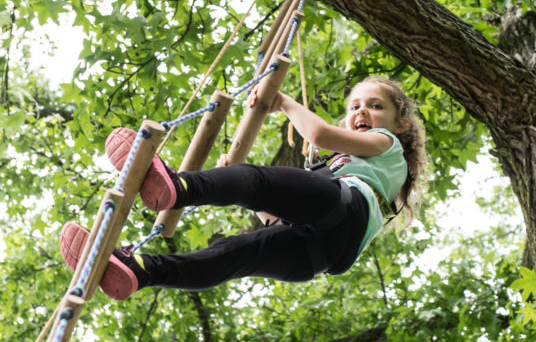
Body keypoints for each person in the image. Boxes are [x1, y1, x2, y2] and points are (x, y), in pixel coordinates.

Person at [60, 77, 427, 300]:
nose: (362, 113)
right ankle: (142, 271)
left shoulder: (386, 144)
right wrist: (234, 184)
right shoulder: (346, 170)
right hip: (321, 254)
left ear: (400, 125)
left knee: (256, 181)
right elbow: (275, 219)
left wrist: (282, 101)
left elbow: (317, 134)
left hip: (344, 209)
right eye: (355, 106)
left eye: (376, 107)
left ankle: (179, 186)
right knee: (234, 253)